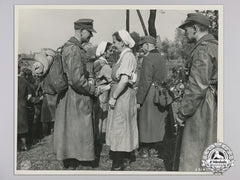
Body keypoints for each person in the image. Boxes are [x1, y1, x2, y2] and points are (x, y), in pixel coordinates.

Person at [53, 19, 97, 170]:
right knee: (76, 127)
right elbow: (76, 80)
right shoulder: (74, 49)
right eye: (90, 33)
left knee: (70, 128)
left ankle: (71, 159)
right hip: (74, 95)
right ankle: (73, 160)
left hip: (69, 95)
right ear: (82, 31)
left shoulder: (69, 47)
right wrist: (92, 90)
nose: (91, 36)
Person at [176, 13, 218, 171]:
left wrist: (182, 114)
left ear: (194, 28)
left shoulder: (203, 49)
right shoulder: (215, 45)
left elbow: (197, 87)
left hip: (201, 105)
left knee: (194, 148)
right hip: (210, 101)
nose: (184, 33)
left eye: (186, 29)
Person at [106, 30, 138, 170]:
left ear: (122, 42)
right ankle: (124, 156)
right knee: (122, 126)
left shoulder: (128, 57)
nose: (113, 45)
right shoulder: (123, 56)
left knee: (120, 126)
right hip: (121, 94)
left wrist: (113, 97)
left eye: (115, 42)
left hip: (122, 96)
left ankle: (118, 163)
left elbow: (124, 80)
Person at [136, 36, 169, 158]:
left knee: (145, 120)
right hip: (160, 91)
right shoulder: (161, 57)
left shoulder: (148, 58)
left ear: (147, 45)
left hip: (149, 92)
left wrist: (139, 100)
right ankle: (154, 148)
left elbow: (145, 81)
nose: (141, 48)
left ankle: (145, 149)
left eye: (142, 45)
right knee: (155, 121)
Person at [93, 41, 112, 142]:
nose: (111, 52)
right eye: (109, 50)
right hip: (103, 92)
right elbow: (113, 81)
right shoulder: (105, 66)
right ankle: (100, 137)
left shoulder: (96, 62)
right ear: (104, 52)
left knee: (97, 114)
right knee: (102, 114)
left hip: (97, 91)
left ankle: (96, 136)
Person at [17, 66, 33, 151]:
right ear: (19, 70)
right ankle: (24, 145)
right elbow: (30, 96)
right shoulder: (24, 81)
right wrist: (24, 100)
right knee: (23, 125)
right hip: (22, 105)